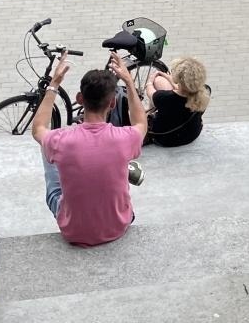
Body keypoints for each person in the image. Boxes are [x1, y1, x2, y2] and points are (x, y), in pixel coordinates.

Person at [31, 53, 147, 246]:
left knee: (46, 146)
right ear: (113, 102)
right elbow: (141, 122)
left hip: (73, 231)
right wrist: (128, 82)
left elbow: (38, 129)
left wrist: (54, 83)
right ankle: (115, 168)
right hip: (118, 225)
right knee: (117, 157)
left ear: (79, 99)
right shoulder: (126, 138)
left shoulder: (61, 140)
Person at [145, 56, 211, 147]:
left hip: (165, 139)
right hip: (192, 134)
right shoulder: (205, 91)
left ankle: (149, 111)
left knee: (158, 81)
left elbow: (150, 92)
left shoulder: (164, 98)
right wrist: (170, 79)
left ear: (178, 79)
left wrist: (150, 81)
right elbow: (185, 91)